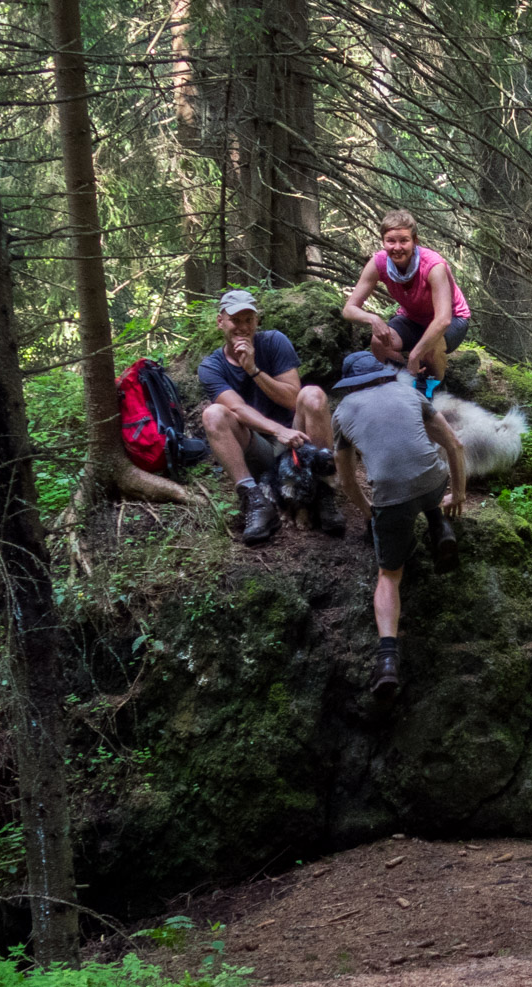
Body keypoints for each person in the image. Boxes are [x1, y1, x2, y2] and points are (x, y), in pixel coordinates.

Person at [329, 351, 469, 697]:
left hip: (392, 501)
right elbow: (454, 444)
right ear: (381, 375)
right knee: (425, 476)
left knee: (389, 575)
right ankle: (439, 526)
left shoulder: (343, 411)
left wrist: (370, 514)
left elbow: (347, 483)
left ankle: (388, 659)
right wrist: (459, 494)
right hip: (433, 484)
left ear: (350, 385)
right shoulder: (410, 393)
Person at [197, 289, 340, 543]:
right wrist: (276, 430)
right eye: (235, 320)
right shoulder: (211, 367)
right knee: (213, 414)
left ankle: (323, 491)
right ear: (221, 322)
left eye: (248, 320)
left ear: (257, 321)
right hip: (257, 446)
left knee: (313, 395)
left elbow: (291, 397)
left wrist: (253, 370)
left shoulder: (274, 342)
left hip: (296, 442)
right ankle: (255, 500)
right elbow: (237, 408)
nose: (243, 327)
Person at [341, 210, 472, 388]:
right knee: (379, 341)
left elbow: (443, 319)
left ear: (415, 241)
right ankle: (406, 383)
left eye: (404, 240)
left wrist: (415, 354)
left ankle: (436, 389)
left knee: (429, 350)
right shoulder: (378, 263)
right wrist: (373, 318)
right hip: (412, 318)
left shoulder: (433, 265)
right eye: (391, 241)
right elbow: (349, 309)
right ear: (383, 242)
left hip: (454, 319)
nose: (397, 247)